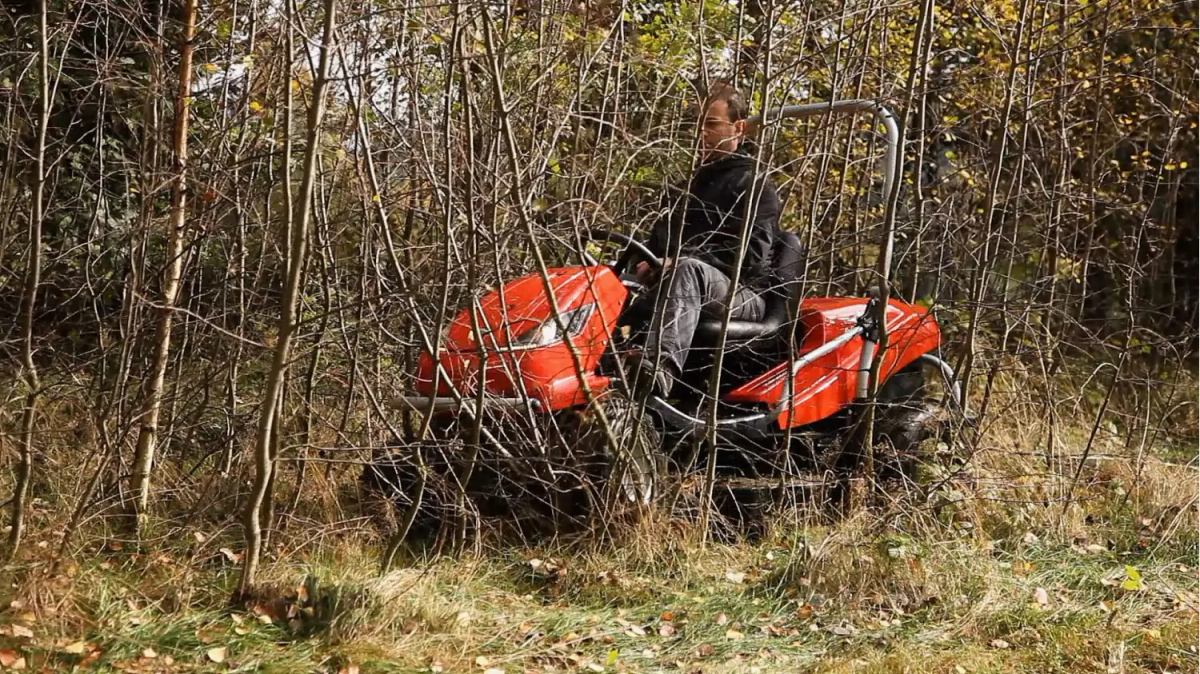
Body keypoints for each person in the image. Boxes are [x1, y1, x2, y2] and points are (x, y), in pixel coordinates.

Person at [626, 81, 782, 398]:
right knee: (607, 280)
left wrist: (678, 261)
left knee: (687, 269)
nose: (702, 133)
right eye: (698, 124)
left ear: (738, 128)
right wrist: (640, 264)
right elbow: (656, 244)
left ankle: (658, 370)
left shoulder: (754, 185)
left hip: (741, 294)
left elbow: (748, 258)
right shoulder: (684, 188)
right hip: (680, 282)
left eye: (711, 124)